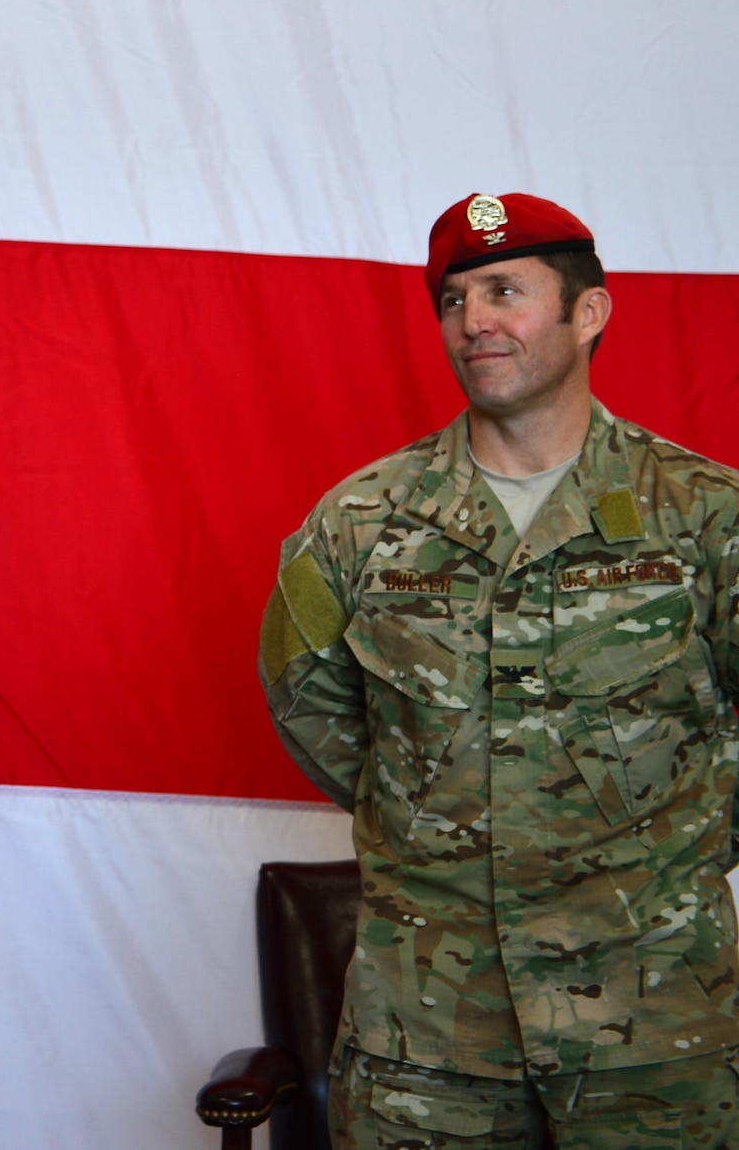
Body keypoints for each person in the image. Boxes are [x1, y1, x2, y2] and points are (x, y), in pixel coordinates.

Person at [261, 191, 739, 1147]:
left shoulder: (704, 514)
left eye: (504, 290)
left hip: (654, 1027)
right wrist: (439, 813)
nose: (472, 319)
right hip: (429, 1033)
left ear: (587, 312)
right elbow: (306, 701)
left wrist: (667, 856)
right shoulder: (360, 523)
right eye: (453, 299)